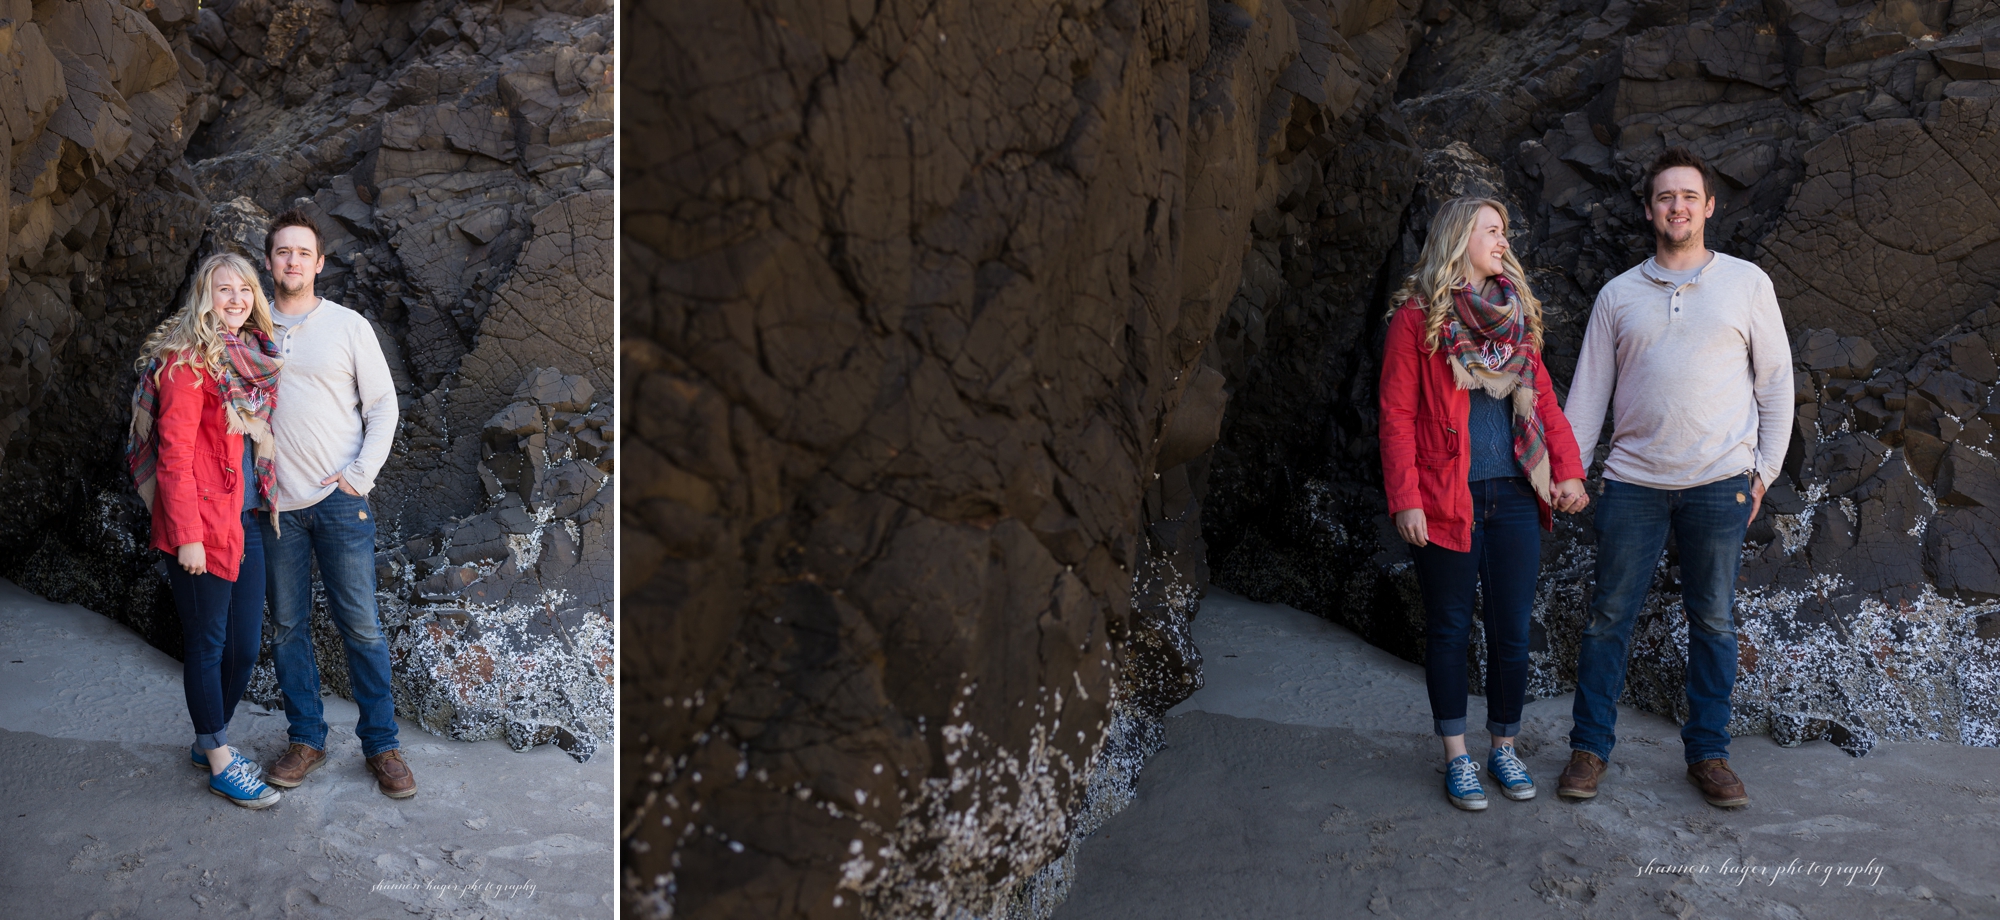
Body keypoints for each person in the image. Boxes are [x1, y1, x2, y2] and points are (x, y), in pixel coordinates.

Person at [1556, 147, 1793, 808]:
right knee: (1608, 619)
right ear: (1650, 210)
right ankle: (1589, 750)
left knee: (1714, 621)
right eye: (1665, 197)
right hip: (1632, 483)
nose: (1678, 206)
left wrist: (1763, 475)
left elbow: (1777, 387)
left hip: (1720, 483)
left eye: (1689, 196)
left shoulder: (1747, 284)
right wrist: (1570, 472)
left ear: (1709, 206)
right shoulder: (1618, 295)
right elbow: (1587, 398)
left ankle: (1709, 756)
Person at [1379, 197, 1591, 811]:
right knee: (1447, 628)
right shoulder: (1418, 320)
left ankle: (1503, 746)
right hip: (1448, 498)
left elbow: (1545, 403)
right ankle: (1457, 757)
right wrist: (1406, 499)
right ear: (1459, 238)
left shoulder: (1515, 315)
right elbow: (1395, 417)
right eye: (1492, 230)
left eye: (1505, 229)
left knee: (1512, 631)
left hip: (1517, 496)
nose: (1503, 240)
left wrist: (1569, 473)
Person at [254, 209, 417, 798]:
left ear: (319, 264)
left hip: (340, 502)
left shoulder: (348, 326)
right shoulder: (248, 325)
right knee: (287, 627)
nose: (292, 261)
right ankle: (307, 739)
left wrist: (358, 477)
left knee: (363, 627)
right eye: (282, 252)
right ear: (268, 262)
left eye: (303, 252)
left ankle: (383, 745)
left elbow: (384, 408)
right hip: (275, 507)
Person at [127, 251, 285, 809]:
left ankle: (207, 735)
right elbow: (171, 456)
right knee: (208, 642)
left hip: (246, 519)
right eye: (224, 290)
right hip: (199, 525)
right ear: (204, 296)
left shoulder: (254, 356)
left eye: (245, 290)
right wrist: (188, 535)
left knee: (243, 649)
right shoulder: (185, 361)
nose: (236, 300)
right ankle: (219, 757)